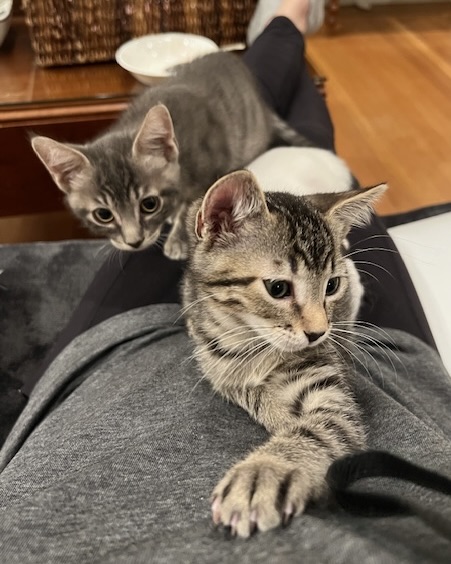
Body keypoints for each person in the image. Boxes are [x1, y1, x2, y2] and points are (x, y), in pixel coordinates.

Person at [0, 1, 450, 562]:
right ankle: (285, 23)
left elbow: (327, 398)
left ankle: (282, 28)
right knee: (305, 136)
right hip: (402, 366)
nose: (318, 328)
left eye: (327, 292)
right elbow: (326, 407)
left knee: (305, 139)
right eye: (282, 290)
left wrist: (290, 454)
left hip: (117, 349)